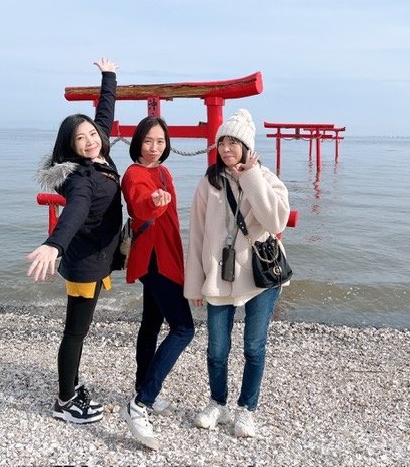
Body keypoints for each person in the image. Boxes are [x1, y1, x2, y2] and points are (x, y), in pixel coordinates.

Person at [184, 109, 291, 438]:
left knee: (253, 347)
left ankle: (247, 409)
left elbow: (276, 222)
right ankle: (218, 403)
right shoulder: (209, 182)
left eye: (234, 142)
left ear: (247, 147)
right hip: (218, 277)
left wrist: (251, 176)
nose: (227, 148)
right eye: (222, 142)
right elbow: (197, 235)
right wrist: (193, 286)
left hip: (260, 279)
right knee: (217, 349)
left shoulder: (265, 178)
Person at [26, 57, 121, 425]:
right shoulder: (81, 177)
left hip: (96, 258)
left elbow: (104, 114)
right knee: (75, 333)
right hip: (84, 264)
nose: (90, 140)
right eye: (80, 138)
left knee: (79, 331)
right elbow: (75, 212)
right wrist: (54, 244)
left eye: (92, 135)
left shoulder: (100, 152)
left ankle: (72, 386)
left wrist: (108, 77)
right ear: (68, 146)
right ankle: (65, 401)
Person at [119, 116, 195, 451]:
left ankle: (142, 387)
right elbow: (138, 202)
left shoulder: (165, 172)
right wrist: (153, 202)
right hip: (152, 260)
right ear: (138, 142)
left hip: (168, 255)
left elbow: (174, 220)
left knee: (151, 324)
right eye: (148, 141)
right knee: (184, 328)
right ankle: (140, 403)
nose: (154, 147)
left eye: (160, 141)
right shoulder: (133, 173)